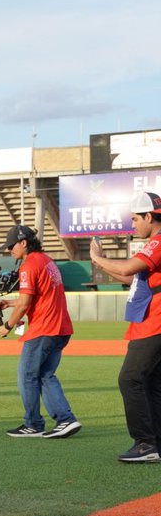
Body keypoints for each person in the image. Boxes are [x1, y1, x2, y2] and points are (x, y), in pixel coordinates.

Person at [89, 190, 161, 462]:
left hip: (155, 322)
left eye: (135, 218)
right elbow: (130, 276)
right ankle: (155, 443)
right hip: (151, 320)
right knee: (151, 382)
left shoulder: (157, 242)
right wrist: (103, 262)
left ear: (149, 216)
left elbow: (129, 269)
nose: (133, 224)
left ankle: (145, 444)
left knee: (129, 378)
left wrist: (97, 259)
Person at [0, 225, 81, 439]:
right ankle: (65, 420)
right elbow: (35, 298)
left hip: (44, 328)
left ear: (23, 243)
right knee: (44, 374)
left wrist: (7, 326)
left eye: (12, 245)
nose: (9, 250)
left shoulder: (29, 265)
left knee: (27, 376)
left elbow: (25, 304)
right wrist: (10, 303)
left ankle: (33, 424)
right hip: (60, 327)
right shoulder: (46, 261)